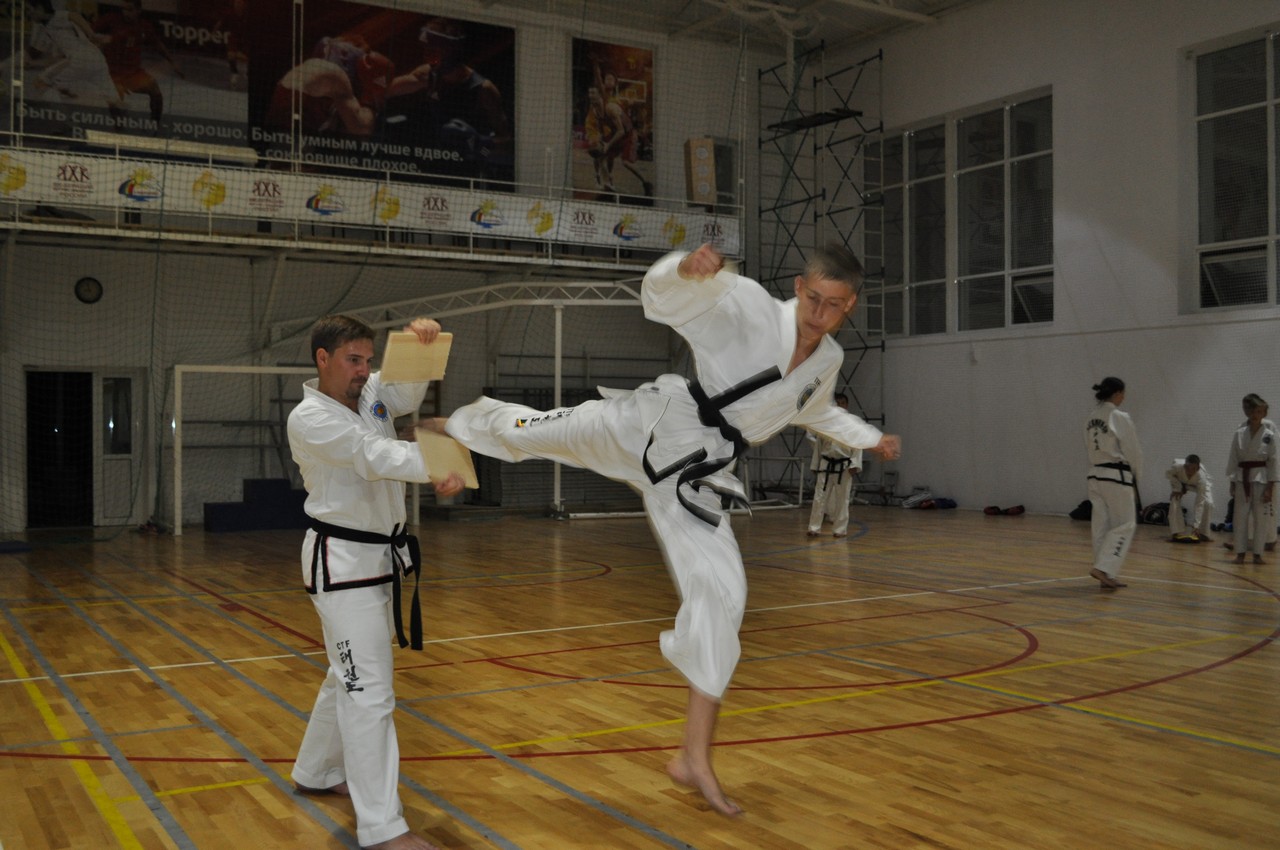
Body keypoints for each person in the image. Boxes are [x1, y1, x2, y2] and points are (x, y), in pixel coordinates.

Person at [445, 243, 901, 816]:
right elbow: (660, 300)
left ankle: (693, 756)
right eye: (813, 298)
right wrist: (682, 268)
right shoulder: (748, 304)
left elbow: (814, 411)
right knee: (534, 432)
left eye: (834, 305)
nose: (819, 313)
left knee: (724, 595)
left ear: (850, 305)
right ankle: (453, 423)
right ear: (797, 286)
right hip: (651, 425)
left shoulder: (827, 358)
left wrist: (868, 437)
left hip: (696, 474)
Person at [288, 314, 463, 850]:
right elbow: (372, 454)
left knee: (347, 675)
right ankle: (383, 830)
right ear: (323, 359)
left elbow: (404, 392)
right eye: (353, 360)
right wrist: (438, 460)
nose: (364, 370)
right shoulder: (310, 417)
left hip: (379, 558)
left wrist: (420, 344)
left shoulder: (367, 395)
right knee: (368, 693)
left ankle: (317, 770)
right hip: (342, 564)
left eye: (368, 359)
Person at [1084, 377, 1142, 590]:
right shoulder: (1118, 416)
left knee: (1101, 525)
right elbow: (1133, 450)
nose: (1123, 397)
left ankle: (1105, 572)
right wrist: (1136, 476)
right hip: (1116, 475)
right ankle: (1103, 568)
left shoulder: (1091, 417)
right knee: (1126, 524)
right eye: (1123, 393)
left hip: (1095, 474)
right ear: (1117, 393)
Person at [92, 0, 183, 124]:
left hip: (133, 74)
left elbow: (157, 44)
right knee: (116, 102)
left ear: (138, 11)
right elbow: (89, 30)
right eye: (124, 9)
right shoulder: (111, 19)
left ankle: (154, 125)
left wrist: (172, 62)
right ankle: (118, 127)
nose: (125, 13)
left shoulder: (144, 26)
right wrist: (97, 41)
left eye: (129, 9)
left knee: (155, 91)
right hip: (112, 74)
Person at [24, 0, 121, 111]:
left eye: (28, 10)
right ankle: (124, 118)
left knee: (40, 82)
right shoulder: (52, 30)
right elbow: (58, 59)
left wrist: (91, 34)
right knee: (114, 101)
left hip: (80, 60)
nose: (27, 14)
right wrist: (33, 63)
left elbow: (74, 16)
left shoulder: (53, 18)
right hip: (97, 59)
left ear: (39, 8)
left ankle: (65, 118)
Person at [1226, 393, 1278, 566]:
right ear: (1247, 412)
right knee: (1240, 517)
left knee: (1261, 519)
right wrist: (1232, 482)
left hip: (1262, 478)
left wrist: (1271, 486)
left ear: (1264, 413)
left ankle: (1257, 554)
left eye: (1259, 411)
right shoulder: (1239, 433)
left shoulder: (1269, 434)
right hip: (1242, 478)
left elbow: (1273, 461)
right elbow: (1233, 458)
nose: (1255, 415)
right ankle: (1240, 553)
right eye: (1252, 411)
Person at [806, 392, 862, 538]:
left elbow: (858, 445)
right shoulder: (825, 424)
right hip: (825, 464)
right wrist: (815, 465)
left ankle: (840, 529)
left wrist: (855, 464)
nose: (840, 406)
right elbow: (818, 446)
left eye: (842, 403)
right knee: (819, 497)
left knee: (842, 499)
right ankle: (814, 527)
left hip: (844, 466)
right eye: (837, 403)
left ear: (847, 405)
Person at [1166, 454, 1213, 543]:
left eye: (1193, 469)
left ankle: (1203, 533)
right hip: (1182, 483)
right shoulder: (1176, 466)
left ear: (1198, 468)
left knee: (1208, 503)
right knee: (1175, 499)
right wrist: (1177, 488)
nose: (1190, 471)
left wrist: (1196, 525)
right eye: (1187, 468)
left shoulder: (1202, 478)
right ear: (1184, 465)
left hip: (1198, 485)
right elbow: (1169, 474)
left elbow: (1199, 503)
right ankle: (1176, 532)